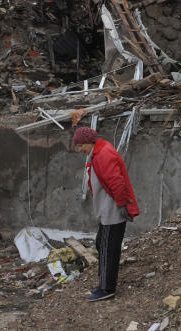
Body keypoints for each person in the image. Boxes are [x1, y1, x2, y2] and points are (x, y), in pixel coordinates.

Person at [73, 126, 140, 302]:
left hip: (113, 210)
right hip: (109, 209)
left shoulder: (103, 154)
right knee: (102, 244)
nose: (79, 149)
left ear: (88, 141)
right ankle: (105, 283)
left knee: (108, 248)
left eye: (80, 145)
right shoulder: (97, 152)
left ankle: (107, 288)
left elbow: (116, 182)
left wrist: (123, 205)